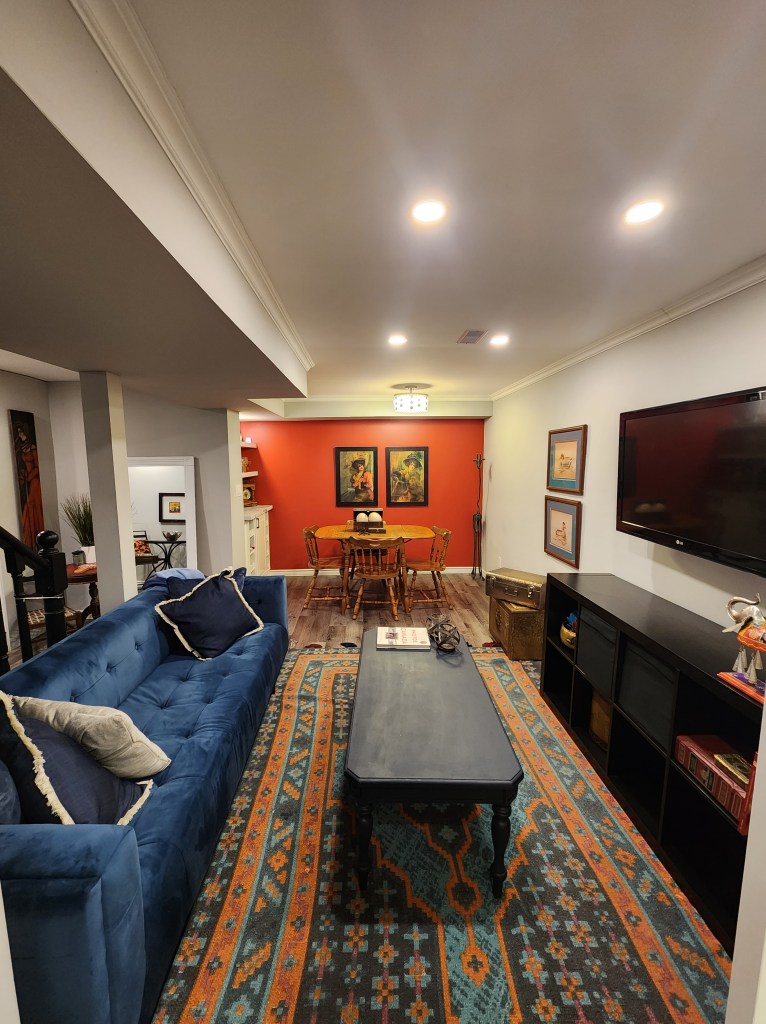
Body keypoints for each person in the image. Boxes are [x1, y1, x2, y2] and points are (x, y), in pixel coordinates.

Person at [14, 421, 44, 547]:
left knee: (33, 506)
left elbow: (37, 466)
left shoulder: (32, 448)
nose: (20, 435)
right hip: (28, 481)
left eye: (21, 432)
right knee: (28, 507)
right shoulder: (21, 448)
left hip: (34, 482)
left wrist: (29, 477)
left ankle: (38, 539)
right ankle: (30, 541)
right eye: (18, 433)